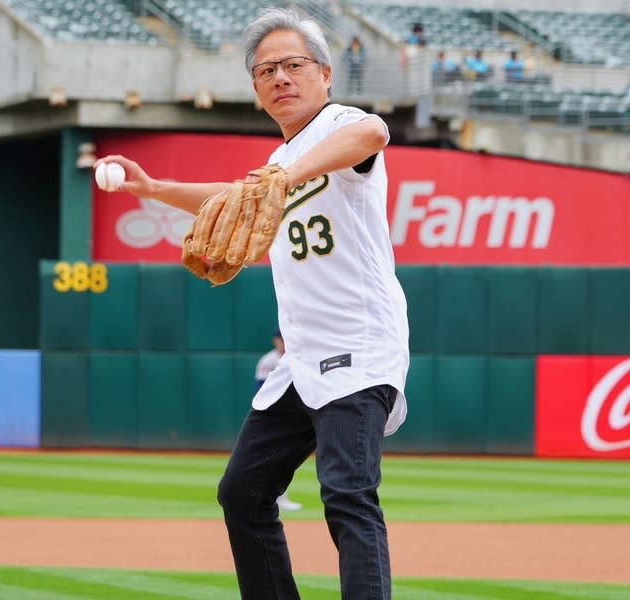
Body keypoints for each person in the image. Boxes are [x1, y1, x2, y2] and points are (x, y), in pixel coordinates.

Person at [94, 7, 410, 599]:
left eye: (294, 65)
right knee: (243, 492)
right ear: (256, 89)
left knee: (346, 492)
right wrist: (152, 188)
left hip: (360, 347)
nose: (280, 78)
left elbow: (374, 135)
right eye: (266, 71)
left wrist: (283, 180)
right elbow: (231, 200)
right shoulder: (277, 164)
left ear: (324, 74)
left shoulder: (339, 126)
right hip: (304, 359)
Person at [254, 328, 302, 512]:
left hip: (292, 415)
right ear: (276, 340)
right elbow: (261, 389)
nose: (283, 342)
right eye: (281, 339)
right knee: (270, 457)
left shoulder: (297, 357)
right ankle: (273, 497)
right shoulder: (269, 360)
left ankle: (279, 496)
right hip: (272, 414)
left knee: (285, 458)